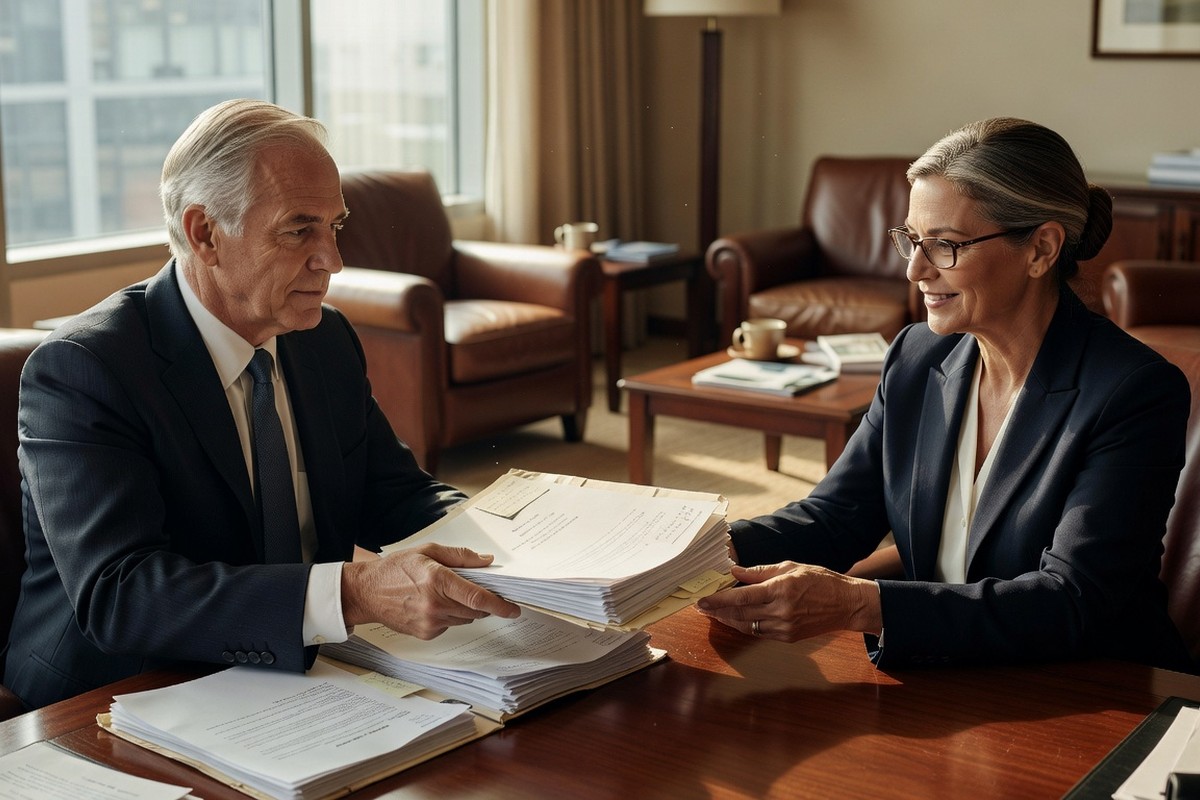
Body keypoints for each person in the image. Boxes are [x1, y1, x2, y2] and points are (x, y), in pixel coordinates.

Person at [1, 99, 520, 710]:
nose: (333, 260)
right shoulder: (87, 369)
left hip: (287, 670)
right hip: (118, 692)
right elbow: (122, 595)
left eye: (336, 226)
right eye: (300, 229)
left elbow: (396, 496)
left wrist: (510, 543)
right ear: (205, 234)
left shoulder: (323, 340)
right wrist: (352, 593)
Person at [697, 117, 1194, 672]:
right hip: (950, 673)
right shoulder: (916, 357)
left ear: (1041, 250)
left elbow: (1072, 600)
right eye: (912, 239)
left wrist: (865, 604)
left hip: (1092, 690)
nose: (915, 270)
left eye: (946, 246)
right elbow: (836, 516)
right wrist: (697, 549)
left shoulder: (1132, 391)